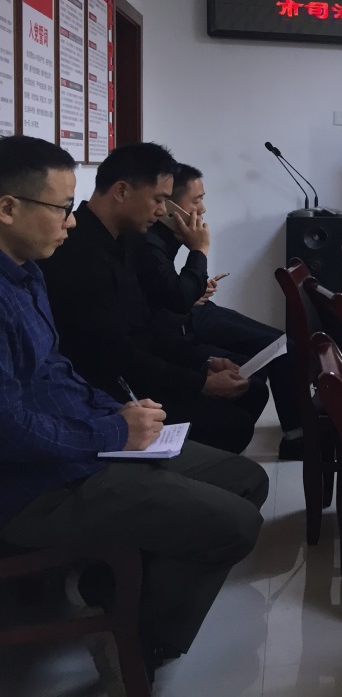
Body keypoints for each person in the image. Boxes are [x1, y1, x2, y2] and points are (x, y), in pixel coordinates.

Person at [0, 135, 268, 688]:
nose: (70, 222)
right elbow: (9, 427)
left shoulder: (26, 272)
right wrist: (112, 431)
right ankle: (132, 639)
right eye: (60, 208)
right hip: (38, 484)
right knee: (236, 525)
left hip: (85, 440)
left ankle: (114, 596)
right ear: (7, 208)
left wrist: (120, 411)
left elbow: (60, 371)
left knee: (246, 480)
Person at [37, 143, 267, 454]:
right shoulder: (79, 254)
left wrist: (205, 364)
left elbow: (148, 326)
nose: (161, 211)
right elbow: (117, 354)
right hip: (111, 387)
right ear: (121, 191)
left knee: (250, 392)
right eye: (158, 200)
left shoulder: (127, 240)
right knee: (230, 423)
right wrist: (200, 382)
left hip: (135, 367)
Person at [132, 163, 304, 459]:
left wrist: (195, 288)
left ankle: (296, 436)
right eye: (196, 200)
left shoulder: (166, 236)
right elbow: (170, 298)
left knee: (281, 347)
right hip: (182, 323)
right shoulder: (147, 241)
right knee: (276, 356)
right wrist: (199, 251)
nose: (203, 209)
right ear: (171, 205)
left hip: (191, 312)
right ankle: (292, 440)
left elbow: (170, 289)